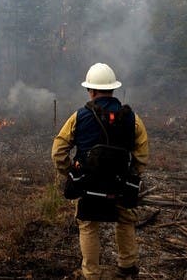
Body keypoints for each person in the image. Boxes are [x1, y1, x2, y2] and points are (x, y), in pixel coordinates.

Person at [52, 63, 149, 279]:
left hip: (88, 184)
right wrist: (132, 175)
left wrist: (70, 172)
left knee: (88, 224)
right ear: (112, 89)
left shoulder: (79, 116)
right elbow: (142, 154)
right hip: (119, 182)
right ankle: (126, 266)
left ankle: (91, 274)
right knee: (125, 219)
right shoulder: (132, 118)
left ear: (92, 91)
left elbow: (58, 151)